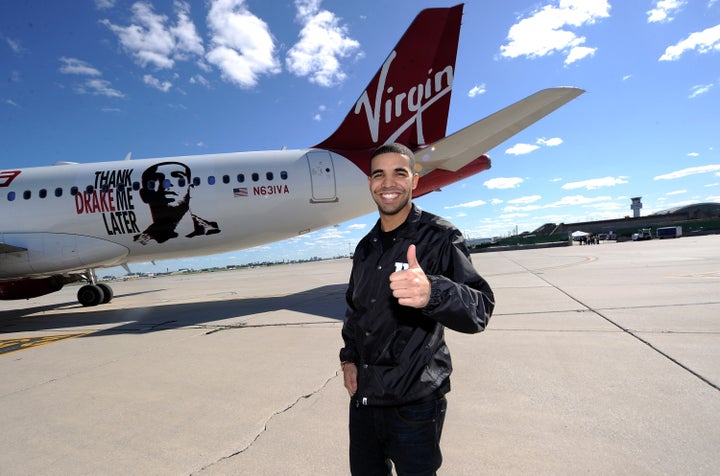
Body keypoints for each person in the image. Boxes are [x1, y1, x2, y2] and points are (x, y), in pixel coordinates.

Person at [339, 143, 495, 475]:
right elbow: (355, 312)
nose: (388, 182)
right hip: (365, 402)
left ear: (414, 180)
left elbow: (480, 309)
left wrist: (433, 292)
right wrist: (349, 358)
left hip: (415, 403)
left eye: (400, 172)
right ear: (370, 183)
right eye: (379, 174)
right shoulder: (365, 248)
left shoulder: (439, 236)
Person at [134, 161, 220, 244]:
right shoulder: (143, 239)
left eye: (179, 179)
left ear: (191, 189)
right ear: (144, 195)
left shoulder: (210, 228)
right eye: (159, 179)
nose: (167, 184)